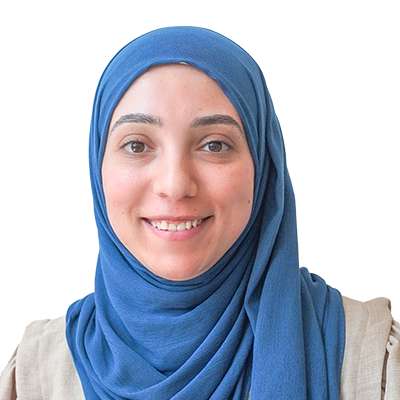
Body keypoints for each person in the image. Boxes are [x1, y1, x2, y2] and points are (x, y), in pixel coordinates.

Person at [0, 26, 398, 400]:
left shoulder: (366, 358)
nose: (175, 185)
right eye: (137, 145)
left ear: (263, 167)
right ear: (97, 167)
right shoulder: (39, 373)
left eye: (215, 145)